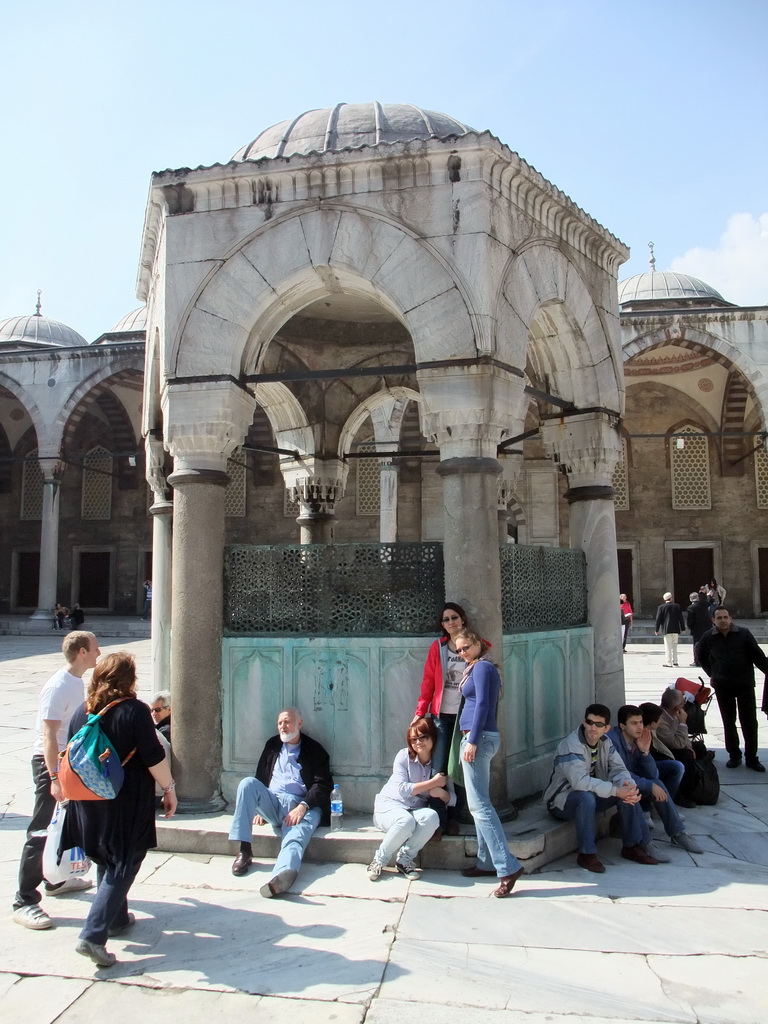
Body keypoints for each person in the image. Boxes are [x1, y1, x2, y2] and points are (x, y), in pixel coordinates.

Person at [61, 652, 176, 967]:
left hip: (86, 801)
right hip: (123, 800)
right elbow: (153, 755)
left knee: (104, 855)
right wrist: (169, 790)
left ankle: (117, 918)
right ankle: (93, 935)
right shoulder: (135, 710)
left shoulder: (82, 713)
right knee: (124, 860)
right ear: (129, 679)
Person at [12, 631, 99, 930]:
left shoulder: (75, 681)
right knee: (41, 830)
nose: (99, 652)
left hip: (67, 763)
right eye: (95, 647)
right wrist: (53, 777)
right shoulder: (58, 685)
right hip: (50, 764)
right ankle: (24, 900)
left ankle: (54, 878)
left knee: (64, 826)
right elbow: (48, 736)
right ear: (83, 651)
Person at [229, 707, 333, 897]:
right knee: (247, 784)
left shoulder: (314, 749)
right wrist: (257, 810)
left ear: (299, 724)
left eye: (287, 721)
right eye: (280, 723)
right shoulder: (272, 745)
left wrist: (304, 806)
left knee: (295, 836)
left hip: (301, 805)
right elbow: (260, 778)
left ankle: (280, 877)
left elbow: (323, 785)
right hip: (274, 802)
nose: (283, 726)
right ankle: (244, 851)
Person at [544, 703, 658, 873]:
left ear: (606, 728)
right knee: (586, 797)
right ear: (584, 722)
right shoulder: (571, 744)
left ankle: (632, 846)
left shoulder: (606, 742)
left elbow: (619, 769)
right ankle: (586, 854)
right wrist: (615, 790)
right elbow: (580, 783)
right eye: (590, 723)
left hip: (592, 794)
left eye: (598, 725)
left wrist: (628, 786)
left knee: (627, 791)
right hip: (562, 801)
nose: (593, 728)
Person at [453, 627, 524, 897]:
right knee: (479, 802)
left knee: (480, 806)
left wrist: (472, 739)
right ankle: (485, 862)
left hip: (478, 738)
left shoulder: (482, 668)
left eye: (466, 647)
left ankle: (507, 866)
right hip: (479, 737)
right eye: (458, 650)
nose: (462, 653)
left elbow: (483, 704)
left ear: (477, 644)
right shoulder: (479, 667)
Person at [608, 706, 703, 857]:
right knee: (638, 789)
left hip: (628, 780)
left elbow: (652, 773)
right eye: (634, 723)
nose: (639, 727)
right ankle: (645, 843)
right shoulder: (611, 741)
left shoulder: (638, 738)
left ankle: (678, 833)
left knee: (658, 781)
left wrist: (645, 752)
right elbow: (618, 774)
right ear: (622, 725)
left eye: (640, 722)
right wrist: (649, 785)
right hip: (611, 784)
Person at [367, 717, 453, 881]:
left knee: (432, 817)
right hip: (389, 808)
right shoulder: (403, 757)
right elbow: (403, 789)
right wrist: (432, 783)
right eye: (414, 739)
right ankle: (379, 860)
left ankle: (404, 859)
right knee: (405, 820)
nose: (418, 742)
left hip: (413, 811)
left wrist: (441, 793)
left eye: (423, 737)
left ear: (433, 738)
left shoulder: (440, 763)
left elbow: (452, 798)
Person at [413, 602, 471, 835]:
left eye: (454, 617)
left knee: (460, 768)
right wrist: (420, 711)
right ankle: (438, 818)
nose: (450, 623)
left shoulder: (473, 645)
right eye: (445, 619)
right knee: (439, 769)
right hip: (441, 716)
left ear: (463, 619)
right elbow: (428, 682)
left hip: (465, 716)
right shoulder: (438, 648)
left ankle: (455, 817)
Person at [697, 608, 768, 772]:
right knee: (729, 722)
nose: (723, 620)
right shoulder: (708, 637)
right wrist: (713, 673)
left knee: (749, 723)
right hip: (723, 686)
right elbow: (701, 656)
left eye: (725, 617)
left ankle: (752, 758)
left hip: (745, 684)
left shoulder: (743, 634)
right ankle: (734, 755)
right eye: (719, 618)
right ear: (713, 620)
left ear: (730, 618)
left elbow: (758, 656)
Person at [656, 689, 698, 806]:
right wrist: (683, 722)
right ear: (676, 707)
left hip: (676, 743)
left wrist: (690, 747)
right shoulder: (661, 720)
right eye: (682, 703)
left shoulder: (674, 715)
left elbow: (684, 740)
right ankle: (683, 794)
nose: (684, 705)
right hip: (664, 751)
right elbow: (677, 744)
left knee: (698, 748)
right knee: (686, 756)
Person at [639, 702, 685, 800]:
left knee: (678, 764)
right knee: (660, 773)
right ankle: (661, 803)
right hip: (644, 765)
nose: (661, 721)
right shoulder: (640, 735)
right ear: (652, 724)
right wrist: (683, 723)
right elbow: (678, 743)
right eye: (660, 719)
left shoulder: (651, 730)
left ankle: (666, 802)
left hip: (654, 759)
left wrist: (680, 720)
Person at [655, 592, 686, 667]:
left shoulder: (661, 607)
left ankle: (668, 662)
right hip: (675, 629)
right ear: (671, 598)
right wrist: (682, 628)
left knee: (668, 646)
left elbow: (658, 619)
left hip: (667, 629)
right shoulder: (677, 606)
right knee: (675, 646)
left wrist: (657, 629)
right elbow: (681, 618)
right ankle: (675, 661)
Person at [686, 591, 711, 667]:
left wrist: (690, 627)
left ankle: (697, 661)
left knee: (697, 645)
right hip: (707, 628)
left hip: (697, 629)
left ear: (691, 599)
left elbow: (690, 620)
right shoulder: (704, 605)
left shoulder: (691, 607)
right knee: (706, 645)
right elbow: (710, 602)